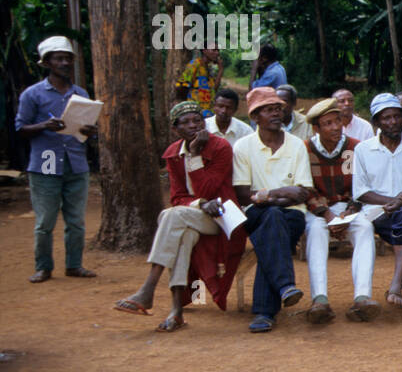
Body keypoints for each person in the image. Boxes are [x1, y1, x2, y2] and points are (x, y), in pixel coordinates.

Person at [113, 101, 246, 330]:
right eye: (185, 122)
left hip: (222, 217)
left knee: (170, 216)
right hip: (192, 214)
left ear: (204, 124)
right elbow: (178, 197)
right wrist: (200, 204)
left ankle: (148, 288)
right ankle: (176, 311)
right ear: (176, 130)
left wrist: (195, 155)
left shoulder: (221, 147)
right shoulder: (173, 154)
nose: (193, 125)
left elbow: (209, 188)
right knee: (180, 233)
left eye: (197, 120)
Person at [15, 36, 99, 283]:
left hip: (75, 162)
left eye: (68, 58)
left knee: (76, 220)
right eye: (59, 58)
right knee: (45, 221)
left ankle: (74, 265)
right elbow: (20, 129)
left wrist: (89, 131)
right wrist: (44, 125)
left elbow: (86, 126)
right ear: (47, 63)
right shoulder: (33, 94)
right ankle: (43, 267)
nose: (64, 63)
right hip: (46, 162)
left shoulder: (80, 93)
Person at [232, 86, 313, 332]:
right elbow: (243, 194)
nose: (277, 113)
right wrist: (281, 193)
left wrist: (266, 195)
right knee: (273, 218)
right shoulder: (243, 147)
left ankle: (267, 310)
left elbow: (302, 192)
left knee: (275, 218)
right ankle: (284, 286)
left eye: (278, 108)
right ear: (255, 117)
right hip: (254, 215)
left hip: (292, 214)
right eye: (268, 110)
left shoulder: (297, 145)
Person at [352, 93, 402, 323]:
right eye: (385, 118)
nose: (393, 122)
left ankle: (399, 284)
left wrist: (400, 202)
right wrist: (391, 201)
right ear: (376, 122)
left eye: (397, 116)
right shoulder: (363, 150)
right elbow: (360, 191)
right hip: (378, 211)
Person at [302, 97, 379, 324]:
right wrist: (327, 215)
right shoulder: (305, 149)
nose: (335, 127)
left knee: (365, 227)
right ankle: (320, 299)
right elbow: (305, 188)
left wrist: (347, 213)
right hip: (319, 209)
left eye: (338, 121)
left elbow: (362, 186)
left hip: (350, 206)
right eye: (328, 123)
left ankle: (362, 297)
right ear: (316, 128)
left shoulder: (356, 147)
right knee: (316, 232)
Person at [174, 42, 224, 117]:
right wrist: (188, 103)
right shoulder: (195, 64)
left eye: (218, 50)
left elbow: (214, 90)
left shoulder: (208, 69)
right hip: (196, 112)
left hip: (208, 112)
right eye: (214, 50)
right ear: (204, 50)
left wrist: (220, 70)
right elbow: (182, 85)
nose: (217, 53)